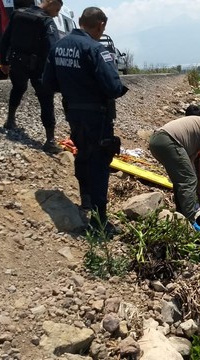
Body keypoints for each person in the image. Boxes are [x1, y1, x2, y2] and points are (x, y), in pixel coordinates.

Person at [43, 6, 128, 233]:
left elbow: (48, 83)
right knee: (100, 161)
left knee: (82, 153)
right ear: (100, 25)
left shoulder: (58, 47)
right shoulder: (96, 49)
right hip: (97, 116)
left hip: (73, 112)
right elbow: (112, 87)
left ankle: (86, 201)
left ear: (80, 21)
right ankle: (100, 221)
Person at [0, 0, 63, 154]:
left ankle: (10, 120)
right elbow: (53, 47)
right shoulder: (46, 21)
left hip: (16, 61)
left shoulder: (17, 14)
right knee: (46, 98)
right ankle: (50, 140)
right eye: (58, 9)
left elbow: (5, 38)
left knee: (18, 88)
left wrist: (4, 61)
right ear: (52, 3)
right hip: (37, 66)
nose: (57, 14)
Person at [149, 114, 200, 227]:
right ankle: (190, 223)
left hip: (156, 141)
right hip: (167, 140)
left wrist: (199, 176)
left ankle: (180, 216)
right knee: (190, 181)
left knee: (181, 181)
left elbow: (190, 160)